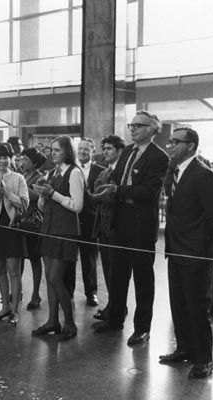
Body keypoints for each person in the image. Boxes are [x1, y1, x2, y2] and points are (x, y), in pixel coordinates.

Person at [93, 111, 170, 346]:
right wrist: (107, 187)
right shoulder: (127, 150)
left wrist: (118, 191)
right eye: (131, 124)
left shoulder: (159, 157)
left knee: (143, 278)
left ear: (152, 129)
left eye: (138, 125)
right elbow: (116, 177)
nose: (133, 128)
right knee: (118, 274)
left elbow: (148, 191)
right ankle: (115, 318)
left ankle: (142, 328)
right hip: (121, 219)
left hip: (141, 224)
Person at [160, 127, 213, 379]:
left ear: (191, 146)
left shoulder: (203, 174)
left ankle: (204, 360)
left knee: (197, 308)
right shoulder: (175, 171)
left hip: (197, 253)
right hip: (175, 250)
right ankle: (185, 349)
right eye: (169, 142)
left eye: (176, 142)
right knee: (178, 304)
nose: (170, 146)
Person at [32, 136, 84, 340]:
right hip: (49, 228)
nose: (52, 153)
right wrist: (43, 197)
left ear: (67, 152)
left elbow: (77, 205)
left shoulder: (75, 173)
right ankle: (52, 320)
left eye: (57, 150)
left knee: (55, 277)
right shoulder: (51, 172)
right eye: (51, 150)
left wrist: (52, 193)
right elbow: (43, 208)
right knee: (49, 278)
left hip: (65, 230)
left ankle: (70, 323)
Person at [0, 142, 29, 325]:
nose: (2, 161)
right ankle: (5, 307)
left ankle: (15, 310)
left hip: (12, 229)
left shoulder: (18, 178)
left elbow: (24, 204)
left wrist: (7, 193)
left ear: (10, 159)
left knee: (14, 272)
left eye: (5, 157)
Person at [90, 135, 125, 321]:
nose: (105, 152)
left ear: (119, 150)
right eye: (104, 149)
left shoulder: (123, 171)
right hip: (103, 227)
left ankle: (117, 308)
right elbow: (95, 193)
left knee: (117, 273)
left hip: (117, 227)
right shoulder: (103, 172)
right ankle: (113, 305)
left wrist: (103, 194)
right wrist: (100, 194)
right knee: (107, 270)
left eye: (109, 148)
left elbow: (113, 195)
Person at [67, 138, 104, 306]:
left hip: (91, 222)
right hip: (71, 219)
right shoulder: (69, 169)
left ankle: (91, 293)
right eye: (79, 149)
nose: (82, 152)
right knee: (69, 258)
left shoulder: (101, 171)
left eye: (86, 149)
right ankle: (68, 291)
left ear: (93, 151)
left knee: (89, 260)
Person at [19, 147, 46, 310]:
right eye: (22, 159)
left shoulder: (40, 178)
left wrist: (21, 186)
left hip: (33, 223)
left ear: (34, 163)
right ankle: (18, 289)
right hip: (20, 221)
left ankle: (36, 294)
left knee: (35, 259)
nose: (22, 162)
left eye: (26, 160)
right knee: (19, 257)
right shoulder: (22, 176)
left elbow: (37, 197)